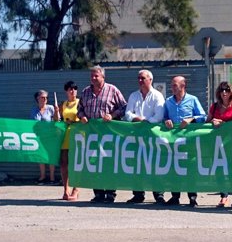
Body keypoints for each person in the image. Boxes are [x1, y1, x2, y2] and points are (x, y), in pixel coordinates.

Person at [77, 65, 127, 203]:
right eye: (91, 76)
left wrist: (112, 115)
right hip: (92, 134)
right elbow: (79, 109)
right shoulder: (86, 92)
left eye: (96, 76)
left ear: (103, 77)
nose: (93, 78)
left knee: (109, 163)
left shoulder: (113, 90)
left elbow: (124, 107)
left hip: (109, 135)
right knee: (94, 163)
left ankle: (110, 193)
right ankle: (98, 193)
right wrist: (82, 116)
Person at [124, 70, 166, 204]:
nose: (140, 81)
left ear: (150, 80)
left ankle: (158, 194)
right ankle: (138, 194)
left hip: (152, 136)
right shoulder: (133, 96)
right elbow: (128, 113)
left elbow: (158, 115)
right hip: (136, 135)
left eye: (142, 78)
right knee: (137, 165)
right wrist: (136, 119)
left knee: (154, 164)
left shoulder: (157, 96)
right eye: (138, 78)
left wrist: (146, 122)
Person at [163, 75, 206, 207]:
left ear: (183, 86)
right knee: (173, 168)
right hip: (173, 140)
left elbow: (203, 116)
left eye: (175, 85)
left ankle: (192, 197)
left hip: (188, 140)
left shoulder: (193, 100)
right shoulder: (168, 101)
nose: (172, 88)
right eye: (172, 85)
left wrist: (191, 119)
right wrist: (166, 121)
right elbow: (164, 117)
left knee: (190, 168)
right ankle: (175, 196)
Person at [205, 81, 232, 208]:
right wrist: (213, 121)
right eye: (222, 90)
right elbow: (207, 121)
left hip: (230, 142)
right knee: (218, 168)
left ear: (231, 92)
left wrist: (223, 123)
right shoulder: (215, 107)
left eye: (226, 90)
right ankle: (224, 196)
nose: (224, 93)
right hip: (215, 142)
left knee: (231, 169)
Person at [31, 90, 60, 185]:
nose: (45, 99)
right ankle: (42, 176)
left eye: (46, 97)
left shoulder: (51, 108)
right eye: (43, 97)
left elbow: (57, 120)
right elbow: (32, 123)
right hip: (40, 137)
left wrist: (56, 111)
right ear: (37, 98)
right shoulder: (34, 110)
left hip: (51, 136)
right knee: (41, 156)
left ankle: (52, 177)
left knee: (51, 156)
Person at [59, 81, 80, 201]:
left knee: (76, 163)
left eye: (74, 88)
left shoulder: (80, 102)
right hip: (65, 135)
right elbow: (58, 120)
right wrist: (57, 112)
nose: (72, 91)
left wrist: (74, 122)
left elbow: (84, 117)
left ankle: (76, 190)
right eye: (70, 89)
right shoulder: (64, 104)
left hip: (77, 135)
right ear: (66, 91)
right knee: (64, 164)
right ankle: (66, 189)